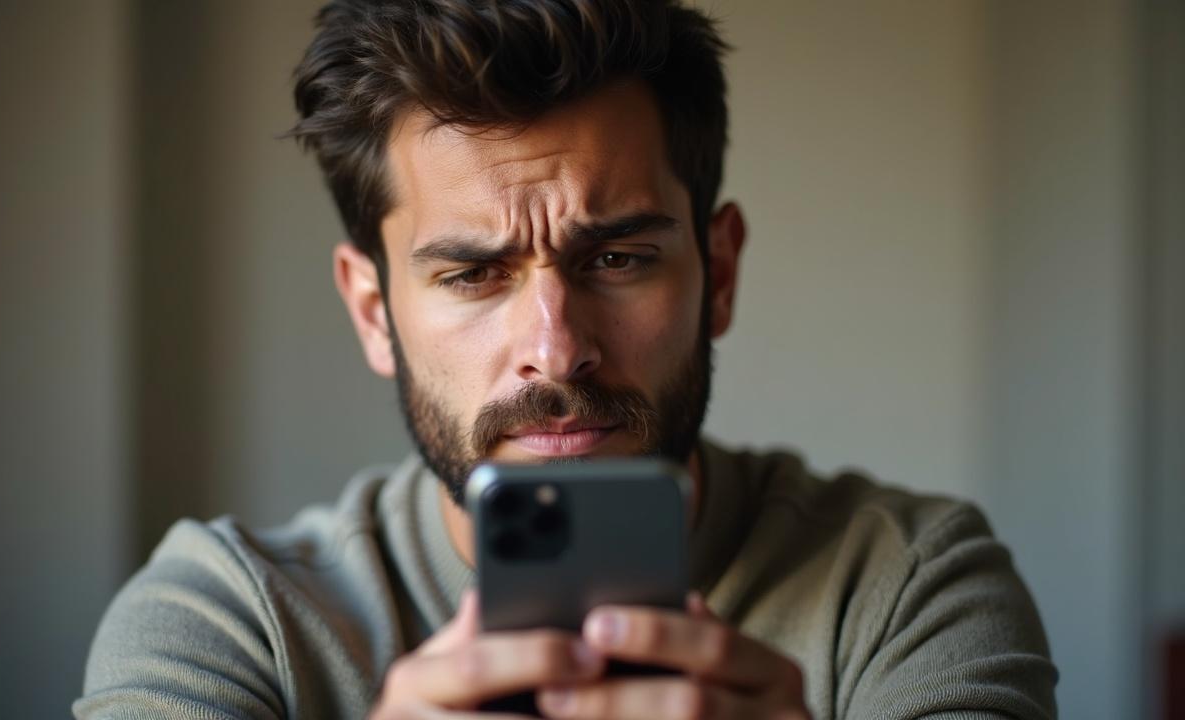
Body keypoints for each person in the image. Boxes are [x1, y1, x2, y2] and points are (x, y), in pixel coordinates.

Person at [75, 1, 1058, 718]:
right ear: (373, 313)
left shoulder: (904, 588)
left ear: (716, 273)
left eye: (619, 258)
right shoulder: (229, 624)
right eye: (472, 276)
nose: (555, 351)